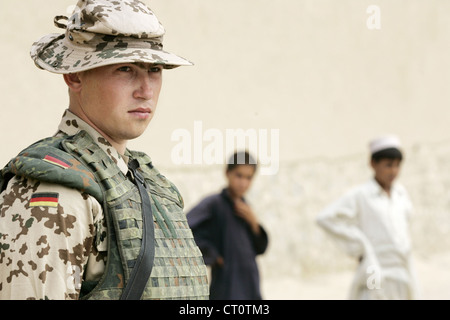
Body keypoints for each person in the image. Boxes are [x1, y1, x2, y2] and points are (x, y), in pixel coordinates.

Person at [0, 0, 209, 300]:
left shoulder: (147, 181)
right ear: (74, 75)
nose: (145, 90)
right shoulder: (56, 189)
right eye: (125, 68)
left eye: (154, 69)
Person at [316, 135, 419, 300]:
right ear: (373, 164)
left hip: (401, 271)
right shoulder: (361, 195)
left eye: (397, 166)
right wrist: (359, 243)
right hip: (374, 268)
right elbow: (325, 218)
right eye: (388, 165)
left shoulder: (401, 194)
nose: (393, 171)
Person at [186, 151, 269, 300]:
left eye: (249, 178)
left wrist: (253, 222)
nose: (243, 182)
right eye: (239, 175)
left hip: (250, 282)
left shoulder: (246, 208)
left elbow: (260, 248)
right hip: (227, 283)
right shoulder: (214, 204)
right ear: (227, 173)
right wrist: (212, 254)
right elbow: (186, 228)